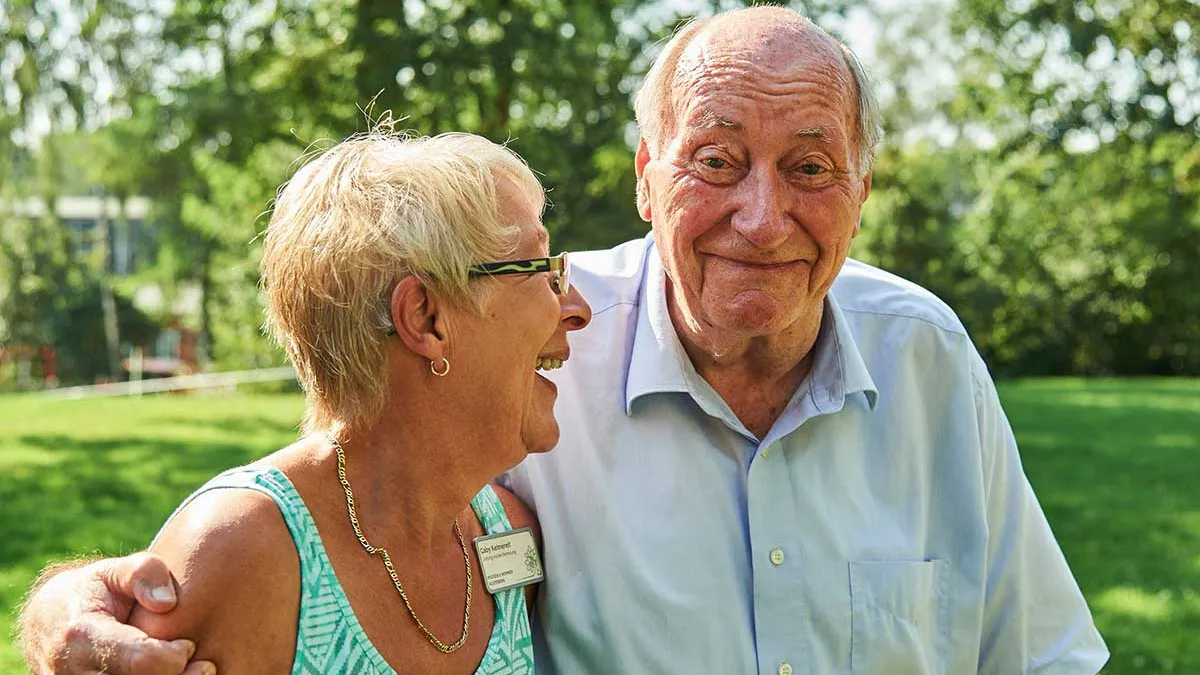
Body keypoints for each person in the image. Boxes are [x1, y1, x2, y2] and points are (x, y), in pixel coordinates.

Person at [18, 7, 1108, 674]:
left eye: (811, 168)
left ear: (862, 191)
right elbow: (339, 488)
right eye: (717, 160)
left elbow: (1042, 655)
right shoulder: (530, 365)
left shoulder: (926, 356)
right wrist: (77, 604)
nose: (762, 216)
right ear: (646, 178)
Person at [18, 129, 592, 675]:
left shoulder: (507, 534)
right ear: (425, 317)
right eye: (543, 271)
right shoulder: (244, 555)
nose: (578, 309)